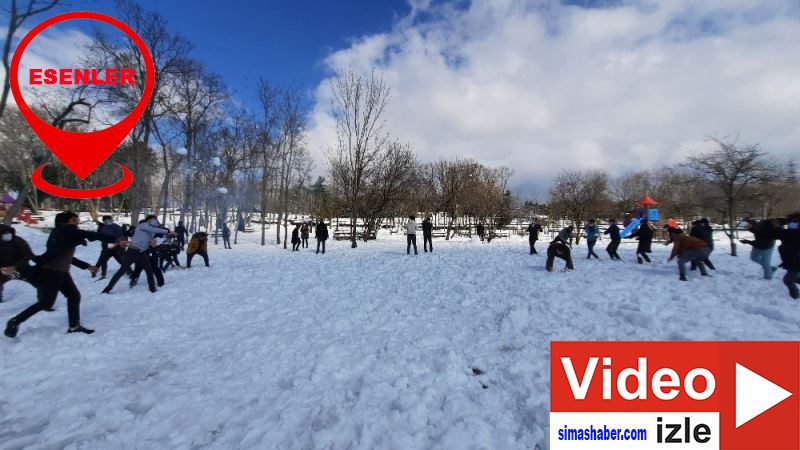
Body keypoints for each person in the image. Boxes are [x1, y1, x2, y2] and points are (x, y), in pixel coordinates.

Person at [4, 211, 121, 338]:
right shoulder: (65, 230)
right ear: (67, 221)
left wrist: (87, 266)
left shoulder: (62, 235)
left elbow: (66, 256)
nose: (78, 223)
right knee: (46, 302)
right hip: (52, 272)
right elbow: (89, 234)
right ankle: (15, 321)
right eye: (75, 220)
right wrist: (115, 239)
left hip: (60, 272)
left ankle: (74, 326)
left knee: (74, 296)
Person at [102, 215, 170, 294]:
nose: (155, 221)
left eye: (156, 219)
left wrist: (155, 242)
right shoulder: (143, 225)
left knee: (149, 271)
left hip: (143, 252)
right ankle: (107, 289)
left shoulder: (151, 231)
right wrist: (167, 231)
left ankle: (152, 288)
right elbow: (154, 229)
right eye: (154, 219)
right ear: (148, 220)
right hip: (132, 251)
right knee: (122, 270)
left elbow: (155, 233)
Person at [0, 224, 33, 303]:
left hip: (20, 267)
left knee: (36, 281)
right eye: (4, 234)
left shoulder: (18, 241)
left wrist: (15, 267)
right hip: (2, 269)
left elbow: (28, 255)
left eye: (8, 233)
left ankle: (44, 302)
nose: (7, 235)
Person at [770, 213, 800, 299]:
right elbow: (773, 234)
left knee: (788, 280)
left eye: (795, 222)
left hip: (796, 262)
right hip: (790, 260)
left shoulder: (792, 233)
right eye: (791, 222)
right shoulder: (787, 232)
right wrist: (778, 223)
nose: (793, 223)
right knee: (795, 278)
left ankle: (796, 298)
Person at [94, 215, 127, 279]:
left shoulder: (116, 227)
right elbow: (99, 236)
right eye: (108, 220)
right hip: (106, 247)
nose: (110, 221)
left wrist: (119, 241)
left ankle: (129, 271)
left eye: (111, 220)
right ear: (104, 221)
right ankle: (103, 274)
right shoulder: (102, 227)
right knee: (103, 260)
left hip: (116, 247)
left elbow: (121, 236)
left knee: (120, 260)